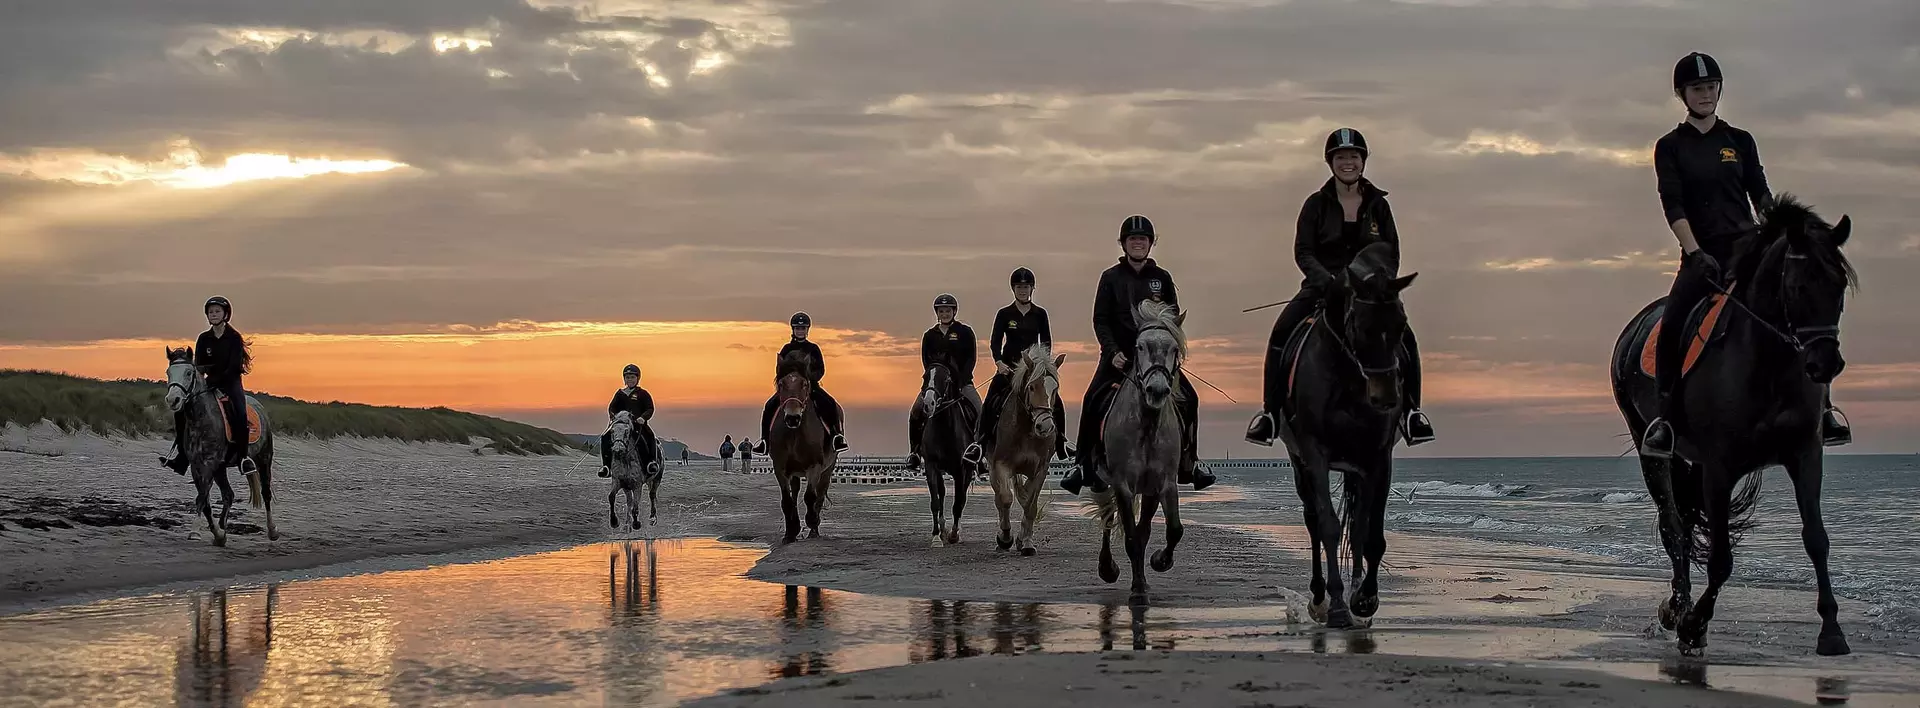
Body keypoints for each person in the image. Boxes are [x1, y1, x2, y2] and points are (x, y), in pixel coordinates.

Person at [1641, 52, 1850, 457]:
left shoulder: (1739, 140)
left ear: (1720, 90)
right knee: (1672, 325)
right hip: (1702, 255)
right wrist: (1694, 251)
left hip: (1748, 252)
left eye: (1711, 87)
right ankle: (1665, 421)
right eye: (1697, 89)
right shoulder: (1670, 147)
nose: (1706, 95)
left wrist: (1780, 234)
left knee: (1805, 308)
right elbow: (1674, 205)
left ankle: (1823, 410)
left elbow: (1760, 192)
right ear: (1682, 94)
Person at [1243, 127, 1436, 447]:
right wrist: (1328, 283)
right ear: (1331, 162)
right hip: (1322, 289)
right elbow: (1303, 251)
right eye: (1342, 157)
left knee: (1405, 337)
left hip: (1370, 295)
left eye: (1354, 157)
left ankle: (1412, 413)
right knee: (1280, 333)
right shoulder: (1315, 204)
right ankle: (1270, 415)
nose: (1348, 162)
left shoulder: (1379, 206)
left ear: (1363, 161)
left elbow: (1391, 252)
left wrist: (1378, 285)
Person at [1061, 215, 1216, 495]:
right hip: (1119, 359)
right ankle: (1082, 464)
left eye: (1143, 239)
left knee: (1190, 398)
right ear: (1123, 244)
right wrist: (1112, 352)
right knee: (1092, 398)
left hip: (1155, 361)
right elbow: (1100, 320)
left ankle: (1190, 462)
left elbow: (1172, 320)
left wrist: (1170, 354)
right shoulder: (1110, 278)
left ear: (1150, 243)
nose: (1138, 244)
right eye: (1132, 239)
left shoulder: (1162, 278)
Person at [962, 267, 1071, 466]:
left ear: (1032, 289)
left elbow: (1045, 342)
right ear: (1013, 289)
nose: (1023, 290)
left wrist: (1043, 364)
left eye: (1026, 287)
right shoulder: (1005, 314)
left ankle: (1061, 442)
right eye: (1019, 287)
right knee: (990, 402)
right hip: (1009, 369)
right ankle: (980, 443)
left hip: (1033, 370)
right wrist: (999, 362)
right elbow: (995, 341)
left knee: (1056, 402)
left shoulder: (1040, 314)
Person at [160, 296, 253, 476]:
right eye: (211, 312)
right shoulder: (203, 338)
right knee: (182, 412)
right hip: (209, 383)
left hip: (230, 383)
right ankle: (182, 457)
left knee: (240, 414)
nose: (214, 314)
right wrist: (201, 380)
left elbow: (234, 366)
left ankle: (243, 458)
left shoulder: (234, 338)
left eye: (217, 311)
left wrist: (217, 379)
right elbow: (199, 364)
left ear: (226, 314)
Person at [905, 293, 983, 470]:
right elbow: (926, 361)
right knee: (915, 411)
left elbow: (971, 358)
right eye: (941, 311)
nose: (945, 314)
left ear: (954, 311)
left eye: (948, 310)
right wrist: (933, 383)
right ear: (937, 313)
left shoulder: (965, 332)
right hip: (936, 386)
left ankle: (979, 452)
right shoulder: (929, 336)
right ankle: (915, 452)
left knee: (980, 410)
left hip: (962, 384)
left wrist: (961, 380)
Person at [753, 312, 849, 453]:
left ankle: (836, 437)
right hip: (789, 388)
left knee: (829, 403)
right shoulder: (786, 349)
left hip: (810, 387)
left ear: (807, 330)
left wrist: (808, 380)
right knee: (769, 406)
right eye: (798, 328)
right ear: (793, 330)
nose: (800, 331)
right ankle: (765, 441)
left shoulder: (813, 349)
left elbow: (821, 369)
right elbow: (779, 370)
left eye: (803, 328)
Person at [599, 363, 658, 478]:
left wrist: (643, 417)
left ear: (637, 378)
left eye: (632, 377)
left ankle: (651, 462)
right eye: (627, 377)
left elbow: (650, 408)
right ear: (624, 379)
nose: (630, 379)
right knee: (605, 437)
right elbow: (612, 407)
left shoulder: (643, 393)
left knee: (650, 436)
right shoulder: (620, 393)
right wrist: (613, 417)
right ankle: (606, 466)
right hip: (620, 425)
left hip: (638, 424)